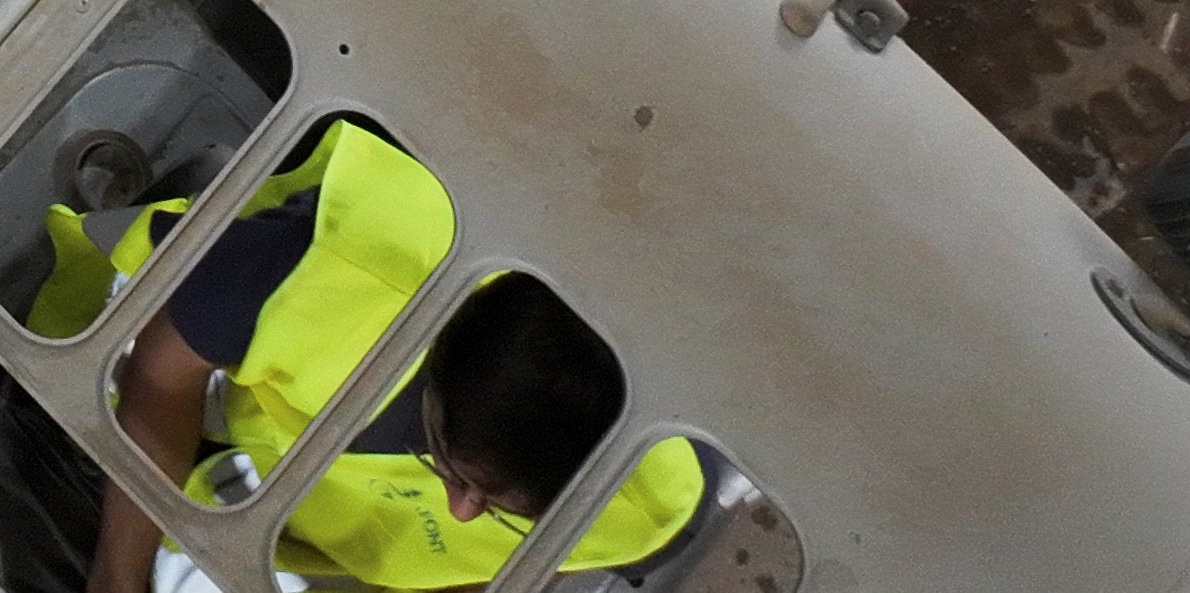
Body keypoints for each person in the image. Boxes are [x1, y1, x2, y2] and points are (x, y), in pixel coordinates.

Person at [41, 120, 708, 593]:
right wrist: (119, 575)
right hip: (208, 360)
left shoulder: (647, 498)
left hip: (294, 503)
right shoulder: (329, 269)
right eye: (452, 467)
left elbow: (496, 570)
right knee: (80, 381)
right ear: (437, 370)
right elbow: (160, 378)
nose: (462, 513)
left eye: (502, 505)